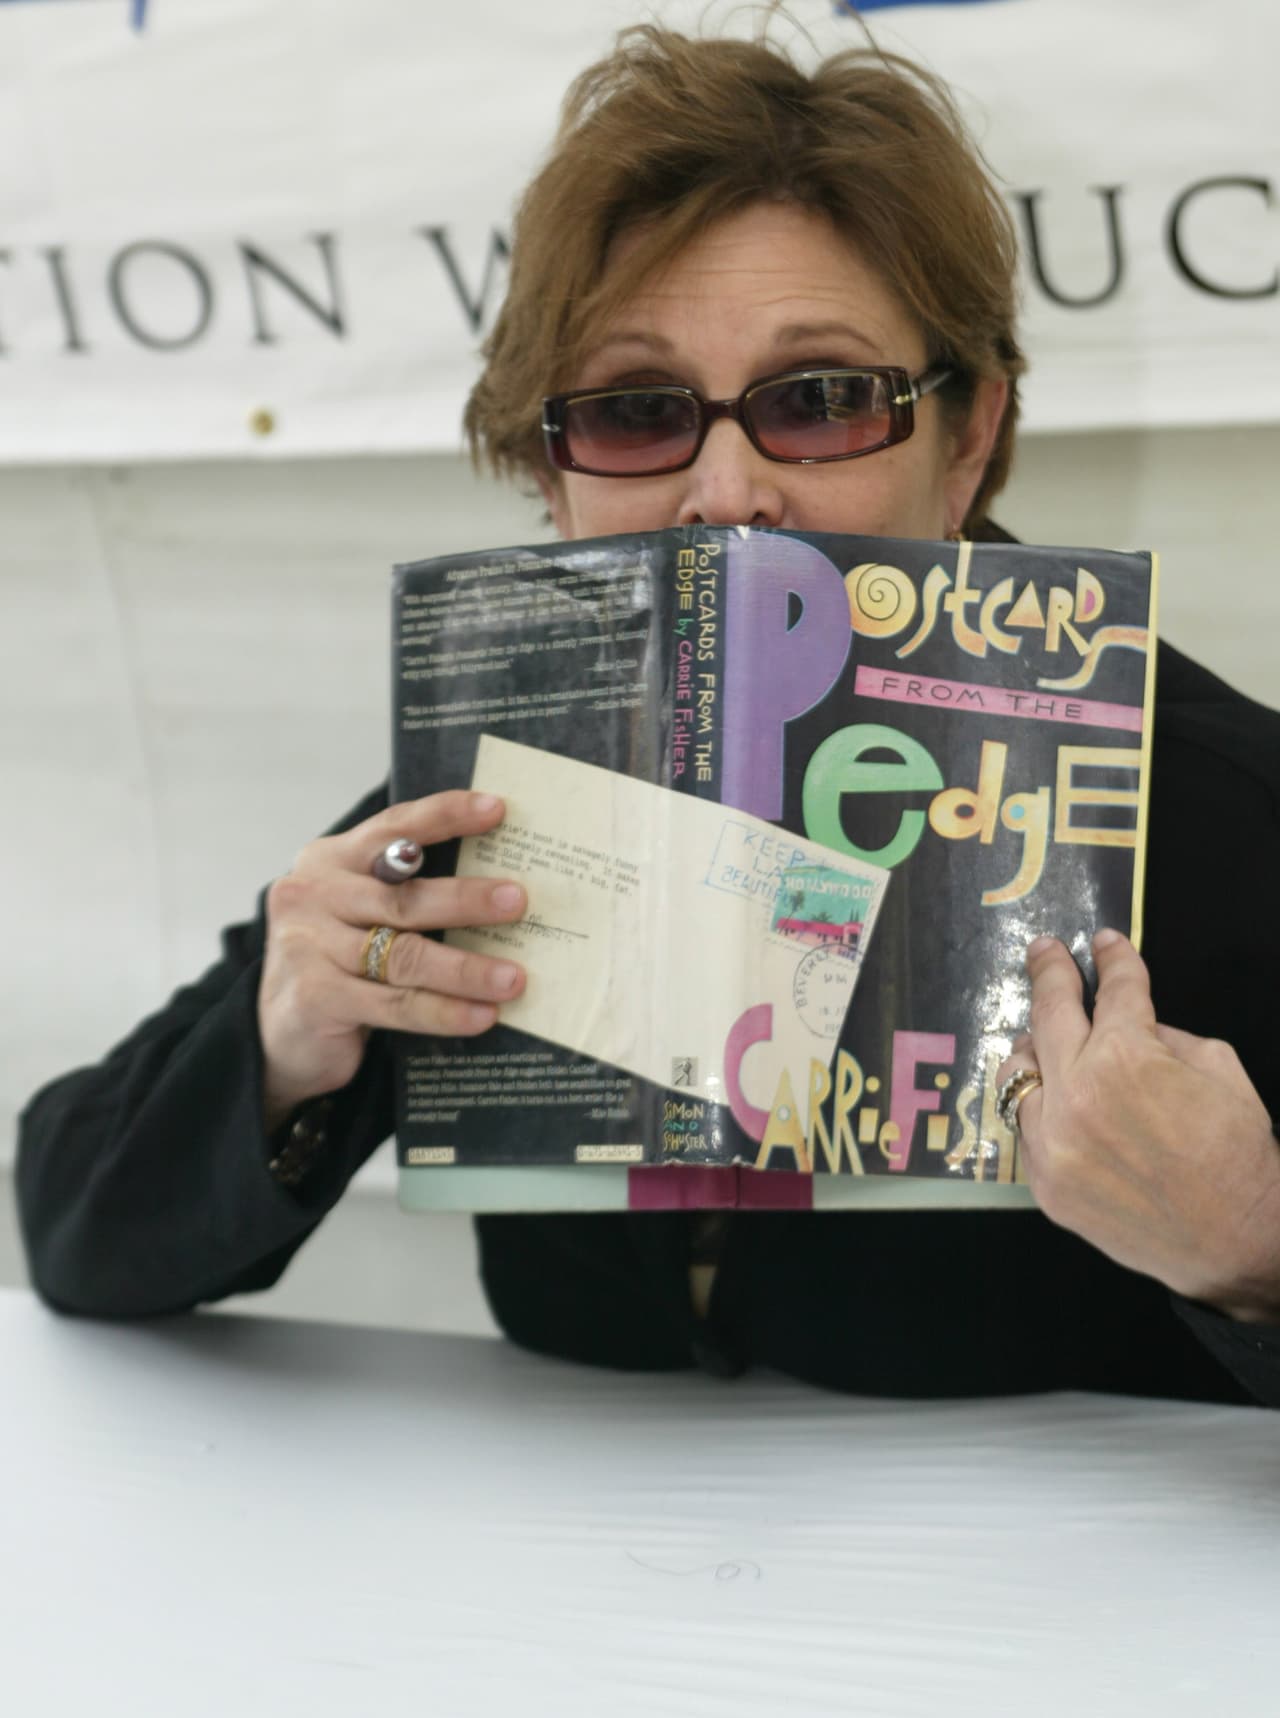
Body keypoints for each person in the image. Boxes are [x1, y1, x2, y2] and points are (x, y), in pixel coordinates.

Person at [16, 24, 1280, 1404]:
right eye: (634, 411)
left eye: (822, 399)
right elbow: (73, 1227)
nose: (727, 493)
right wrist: (271, 1058)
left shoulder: (1219, 807)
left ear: (967, 435)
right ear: (550, 475)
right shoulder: (495, 799)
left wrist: (1255, 1249)